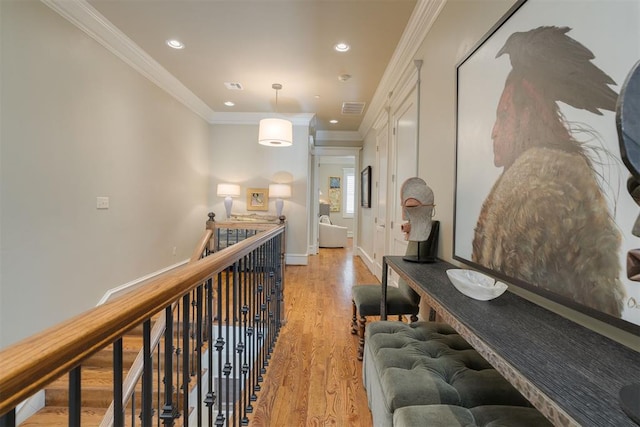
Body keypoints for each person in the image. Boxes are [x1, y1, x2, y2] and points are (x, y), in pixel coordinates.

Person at [472, 26, 626, 317]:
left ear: (528, 115)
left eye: (503, 117)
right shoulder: (532, 180)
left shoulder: (540, 187)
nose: (492, 132)